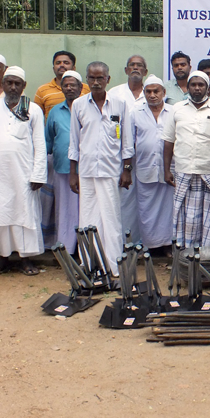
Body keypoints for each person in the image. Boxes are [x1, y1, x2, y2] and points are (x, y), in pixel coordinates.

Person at [68, 62, 133, 276]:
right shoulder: (78, 105)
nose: (96, 82)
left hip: (111, 171)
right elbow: (74, 142)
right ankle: (90, 266)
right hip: (86, 172)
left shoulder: (120, 104)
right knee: (87, 219)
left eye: (100, 78)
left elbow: (127, 141)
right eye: (92, 78)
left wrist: (126, 169)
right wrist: (73, 173)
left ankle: (114, 267)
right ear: (87, 80)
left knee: (111, 219)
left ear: (108, 79)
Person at [162, 70, 210, 248]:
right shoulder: (177, 109)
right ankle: (186, 256)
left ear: (208, 88)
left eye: (201, 85)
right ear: (188, 87)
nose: (197, 88)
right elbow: (168, 141)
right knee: (187, 218)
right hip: (183, 171)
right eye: (194, 85)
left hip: (209, 172)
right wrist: (166, 169)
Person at [0, 66, 47, 276]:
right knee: (2, 214)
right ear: (3, 84)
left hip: (24, 174)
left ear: (24, 86)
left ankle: (26, 259)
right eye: (9, 82)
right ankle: (3, 258)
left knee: (25, 214)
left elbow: (40, 144)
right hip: (0, 175)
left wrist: (38, 174)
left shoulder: (32, 109)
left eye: (17, 83)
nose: (13, 87)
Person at [108, 55, 148, 243]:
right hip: (121, 155)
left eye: (139, 65)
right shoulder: (115, 93)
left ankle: (144, 241)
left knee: (145, 199)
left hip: (146, 156)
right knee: (124, 197)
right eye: (131, 65)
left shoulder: (151, 92)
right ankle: (124, 241)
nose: (135, 68)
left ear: (145, 72)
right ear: (125, 70)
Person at [131, 75, 174, 251]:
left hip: (170, 169)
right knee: (146, 209)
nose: (152, 95)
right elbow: (128, 143)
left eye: (156, 91)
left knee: (169, 210)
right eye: (148, 91)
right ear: (144, 93)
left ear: (163, 92)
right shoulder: (135, 113)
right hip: (145, 168)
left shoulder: (174, 112)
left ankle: (168, 245)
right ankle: (150, 245)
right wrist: (127, 168)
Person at [45, 70, 83, 253]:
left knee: (85, 211)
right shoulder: (55, 111)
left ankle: (85, 250)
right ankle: (66, 250)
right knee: (65, 211)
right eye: (65, 85)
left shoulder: (86, 108)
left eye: (72, 85)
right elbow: (49, 140)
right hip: (62, 168)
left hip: (87, 170)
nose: (69, 88)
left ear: (80, 88)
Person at [34, 50, 90, 117]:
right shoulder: (42, 90)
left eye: (66, 63)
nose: (62, 65)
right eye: (58, 63)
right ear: (53, 68)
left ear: (73, 68)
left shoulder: (86, 88)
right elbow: (36, 116)